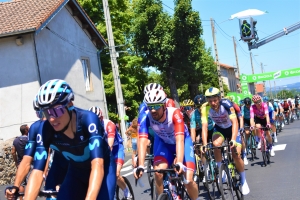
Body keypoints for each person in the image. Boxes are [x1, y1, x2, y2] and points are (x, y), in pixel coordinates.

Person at [24, 79, 116, 200]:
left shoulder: (88, 120)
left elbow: (98, 164)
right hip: (76, 172)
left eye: (56, 110)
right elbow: (37, 172)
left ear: (70, 106)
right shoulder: (45, 129)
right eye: (46, 112)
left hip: (103, 169)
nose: (51, 118)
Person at [135, 89, 199, 200]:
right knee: (158, 173)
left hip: (183, 142)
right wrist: (140, 165)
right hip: (165, 144)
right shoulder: (144, 116)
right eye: (150, 107)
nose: (153, 110)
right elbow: (142, 140)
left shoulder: (175, 114)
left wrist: (179, 161)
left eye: (156, 106)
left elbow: (179, 140)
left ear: (164, 105)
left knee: (188, 180)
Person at [6, 96, 69, 200]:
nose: (46, 118)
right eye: (40, 112)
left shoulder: (64, 122)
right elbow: (27, 161)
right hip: (57, 165)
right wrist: (15, 186)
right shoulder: (37, 128)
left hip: (76, 164)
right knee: (50, 190)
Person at [202, 87, 250, 195]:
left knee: (236, 154)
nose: (213, 103)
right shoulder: (205, 108)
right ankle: (221, 171)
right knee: (215, 145)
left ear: (219, 98)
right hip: (219, 129)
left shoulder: (227, 104)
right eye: (210, 101)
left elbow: (235, 122)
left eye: (215, 100)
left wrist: (233, 139)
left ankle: (243, 180)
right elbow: (204, 127)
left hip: (232, 128)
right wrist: (204, 144)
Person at [89, 106, 132, 199]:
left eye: (98, 119)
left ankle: (126, 192)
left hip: (117, 149)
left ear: (101, 117)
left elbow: (110, 145)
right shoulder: (90, 127)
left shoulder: (109, 124)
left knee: (116, 174)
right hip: (102, 151)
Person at [11, 124, 29, 194]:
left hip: (20, 163)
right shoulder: (30, 139)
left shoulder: (16, 140)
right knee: (29, 182)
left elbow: (13, 152)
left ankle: (21, 198)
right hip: (30, 163)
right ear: (26, 130)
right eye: (28, 129)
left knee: (21, 183)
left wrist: (16, 162)